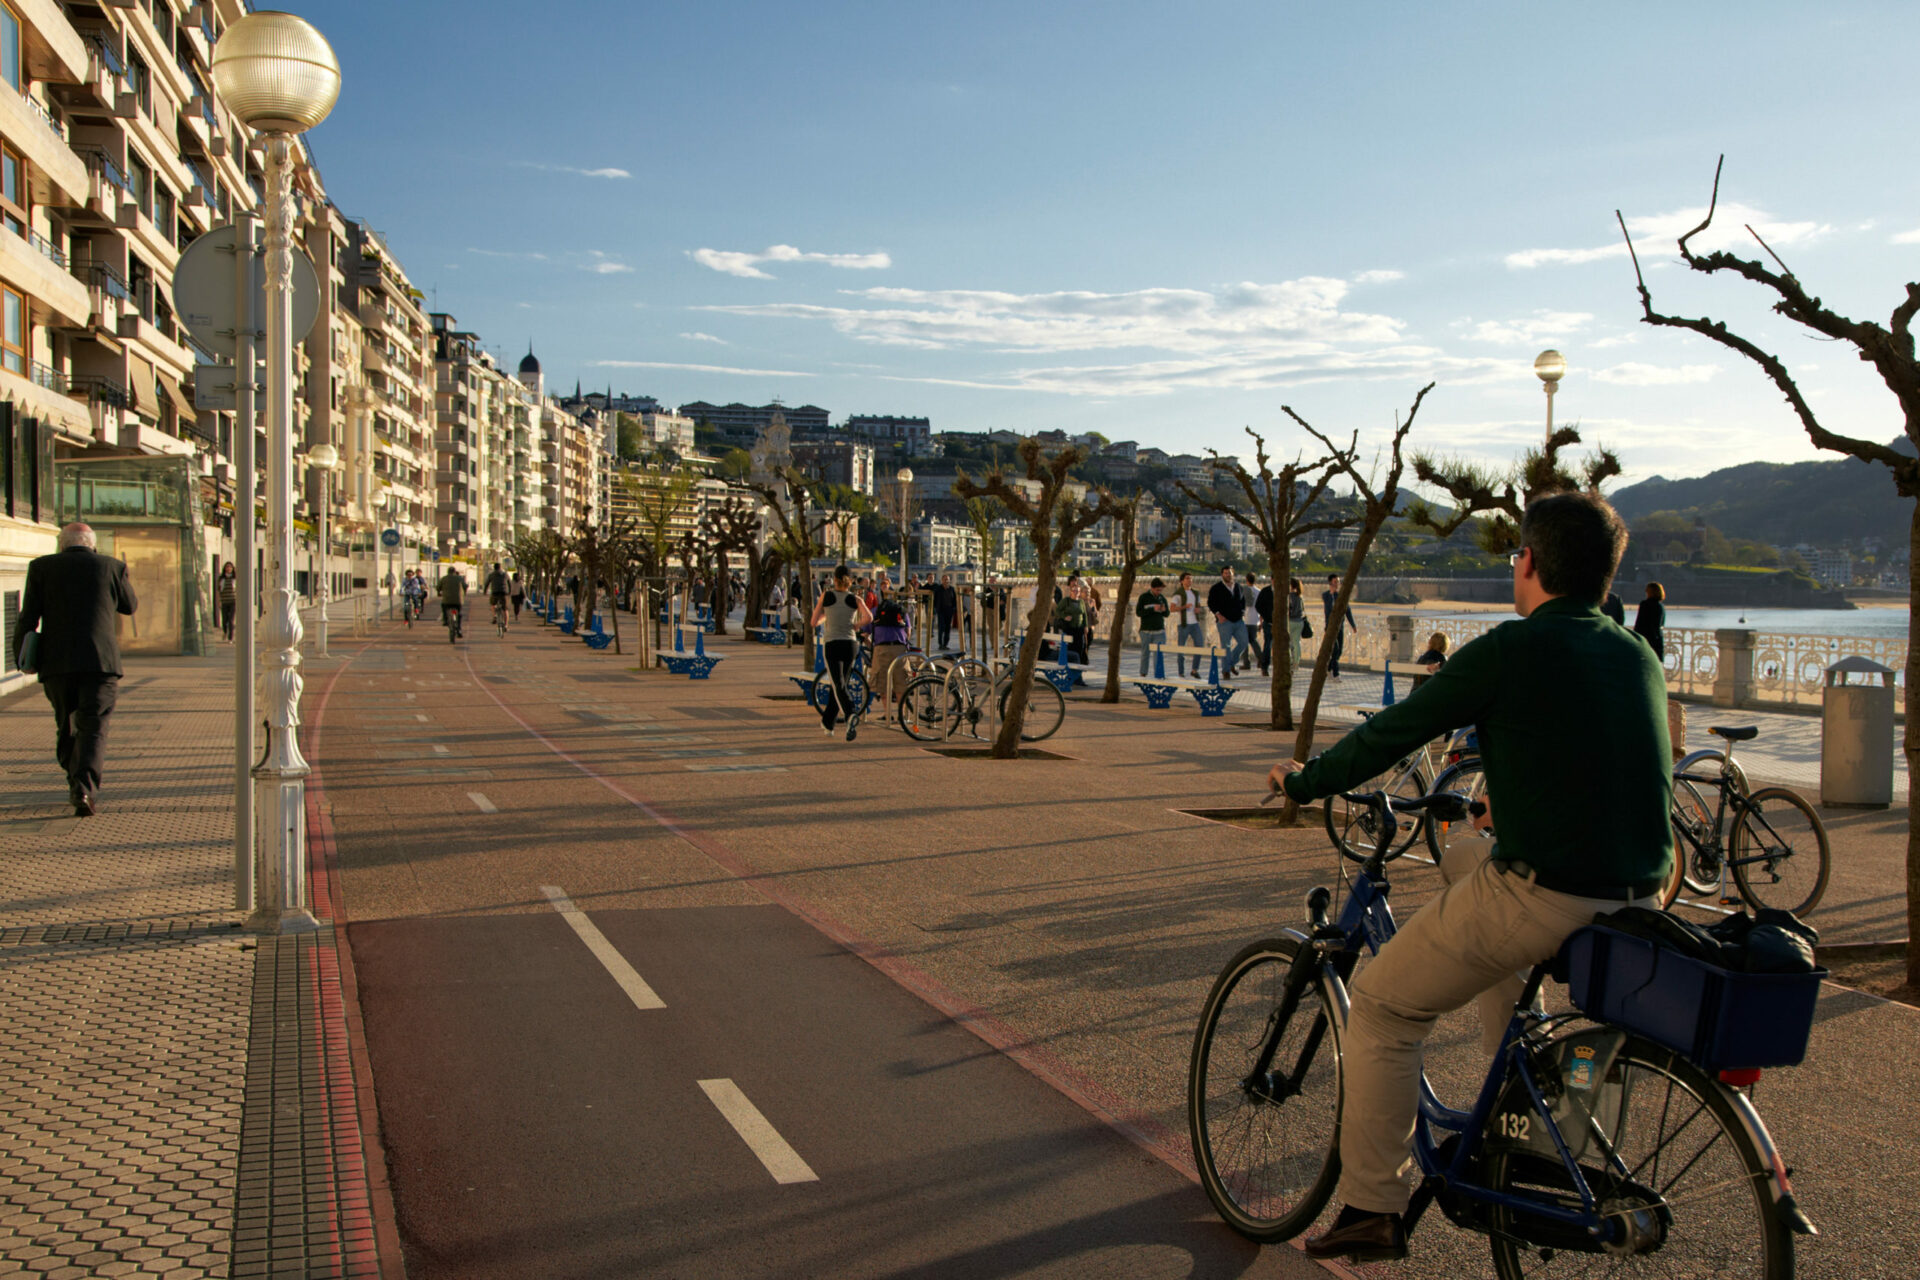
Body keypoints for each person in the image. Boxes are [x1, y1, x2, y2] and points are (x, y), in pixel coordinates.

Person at [1269, 491, 1671, 1262]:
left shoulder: (1509, 648)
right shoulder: (1637, 654)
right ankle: (1518, 1104)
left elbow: (1394, 732)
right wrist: (1503, 801)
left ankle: (1371, 1208)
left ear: (1529, 563)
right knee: (1475, 888)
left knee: (1383, 1008)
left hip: (1545, 894)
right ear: (1606, 579)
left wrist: (1303, 782)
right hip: (1639, 903)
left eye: (1516, 555)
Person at [14, 523, 137, 817]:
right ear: (93, 545)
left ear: (61, 545)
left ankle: (75, 778)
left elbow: (27, 618)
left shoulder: (41, 567)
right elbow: (129, 606)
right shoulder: (111, 566)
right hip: (101, 663)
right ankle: (84, 789)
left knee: (66, 724)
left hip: (57, 664)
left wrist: (23, 658)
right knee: (94, 728)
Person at [811, 565, 873, 740]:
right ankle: (828, 722)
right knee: (839, 684)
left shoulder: (827, 596)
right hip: (850, 644)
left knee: (838, 683)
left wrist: (827, 617)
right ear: (850, 581)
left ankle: (850, 713)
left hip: (832, 643)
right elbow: (869, 617)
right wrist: (856, 626)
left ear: (834, 579)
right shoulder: (855, 599)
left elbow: (813, 622)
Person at [870, 584, 913, 718]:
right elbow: (908, 631)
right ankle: (902, 714)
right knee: (901, 683)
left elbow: (866, 631)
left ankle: (887, 714)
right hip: (900, 648)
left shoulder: (875, 610)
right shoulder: (901, 611)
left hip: (881, 648)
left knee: (882, 683)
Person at [1207, 566, 1249, 678]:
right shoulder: (1216, 588)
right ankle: (1226, 671)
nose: (1227, 575)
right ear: (1222, 575)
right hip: (1224, 621)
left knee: (1244, 642)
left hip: (1238, 621)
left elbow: (1243, 601)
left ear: (1233, 574)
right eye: (1225, 573)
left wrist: (1242, 612)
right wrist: (1218, 615)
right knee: (1226, 646)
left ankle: (1231, 663)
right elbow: (1211, 603)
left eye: (1229, 573)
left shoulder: (1238, 587)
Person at [1320, 574, 1357, 678]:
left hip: (1340, 627)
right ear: (1330, 583)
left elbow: (1347, 611)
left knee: (1339, 651)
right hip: (1330, 627)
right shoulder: (1326, 595)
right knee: (1335, 649)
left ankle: (1328, 669)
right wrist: (1331, 594)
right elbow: (1328, 610)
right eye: (1335, 582)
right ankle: (1336, 674)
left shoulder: (1341, 596)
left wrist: (1353, 625)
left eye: (1338, 582)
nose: (1337, 584)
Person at [1171, 571, 1205, 676]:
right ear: (1182, 581)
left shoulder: (1196, 593)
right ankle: (1181, 672)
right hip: (1183, 624)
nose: (1189, 580)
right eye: (1187, 578)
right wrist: (1184, 607)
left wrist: (1198, 609)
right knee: (1181, 648)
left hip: (1195, 623)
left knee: (1200, 645)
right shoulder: (1178, 594)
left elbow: (1199, 605)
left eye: (1190, 578)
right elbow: (1172, 609)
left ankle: (1195, 670)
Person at [1134, 576, 1170, 675]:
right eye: (1158, 590)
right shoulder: (1144, 597)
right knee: (1145, 653)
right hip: (1146, 631)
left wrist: (1164, 610)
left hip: (1159, 631)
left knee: (1158, 654)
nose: (1159, 592)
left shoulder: (1162, 598)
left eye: (1161, 590)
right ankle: (1143, 673)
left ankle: (1158, 674)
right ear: (1152, 588)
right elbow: (1138, 612)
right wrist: (1152, 609)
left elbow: (1167, 614)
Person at [1052, 581, 1089, 664]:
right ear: (1071, 592)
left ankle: (1078, 662)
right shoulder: (1066, 601)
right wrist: (1064, 616)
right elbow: (1058, 610)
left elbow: (1084, 614)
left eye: (1078, 591)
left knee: (1081, 646)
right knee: (1071, 646)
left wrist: (1086, 626)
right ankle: (1071, 662)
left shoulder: (1081, 602)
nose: (1076, 593)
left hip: (1079, 628)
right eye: (1074, 591)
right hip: (1069, 628)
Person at [1634, 581, 1666, 661]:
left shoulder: (1645, 604)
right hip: (1657, 640)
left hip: (1645, 639)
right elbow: (1661, 624)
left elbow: (1639, 623)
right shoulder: (1661, 606)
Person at [1238, 570, 1261, 676]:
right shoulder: (1259, 591)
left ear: (1246, 580)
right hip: (1255, 619)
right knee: (1253, 640)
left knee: (1244, 642)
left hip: (1246, 619)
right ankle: (1261, 659)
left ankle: (1246, 662)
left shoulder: (1243, 590)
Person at [438, 564, 468, 637]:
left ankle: (445, 620)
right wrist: (464, 593)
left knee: (444, 607)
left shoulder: (444, 578)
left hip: (447, 600)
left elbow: (438, 587)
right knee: (459, 613)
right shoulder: (459, 578)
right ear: (454, 572)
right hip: (458, 600)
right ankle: (459, 628)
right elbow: (465, 586)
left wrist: (439, 592)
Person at [933, 573, 958, 652]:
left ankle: (945, 644)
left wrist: (954, 608)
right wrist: (935, 608)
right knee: (941, 627)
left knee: (948, 628)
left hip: (949, 610)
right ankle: (940, 644)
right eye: (944, 579)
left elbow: (954, 600)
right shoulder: (938, 589)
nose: (946, 581)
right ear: (942, 580)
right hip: (941, 610)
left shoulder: (952, 589)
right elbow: (935, 599)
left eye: (947, 579)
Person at [1287, 578, 1308, 672]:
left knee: (1288, 643)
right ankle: (1296, 662)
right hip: (1299, 622)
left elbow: (1288, 609)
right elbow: (1302, 610)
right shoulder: (1300, 597)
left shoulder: (1289, 596)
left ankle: (1290, 662)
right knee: (1296, 643)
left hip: (1290, 621)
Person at [483, 562, 510, 629]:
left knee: (492, 604)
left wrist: (485, 591)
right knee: (505, 609)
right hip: (503, 593)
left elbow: (487, 583)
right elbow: (509, 582)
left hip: (495, 592)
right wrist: (509, 592)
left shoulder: (491, 574)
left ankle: (494, 615)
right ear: (500, 567)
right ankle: (506, 625)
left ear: (494, 568)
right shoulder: (505, 574)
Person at [217, 562, 238, 642]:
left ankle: (230, 638)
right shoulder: (221, 579)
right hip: (224, 601)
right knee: (224, 620)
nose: (228, 568)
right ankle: (225, 632)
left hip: (233, 601)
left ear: (232, 569)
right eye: (227, 567)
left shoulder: (235, 579)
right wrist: (219, 601)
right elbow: (218, 591)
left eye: (230, 567)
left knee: (231, 620)